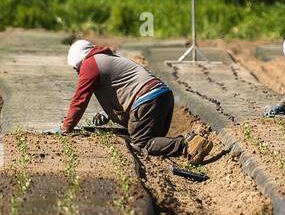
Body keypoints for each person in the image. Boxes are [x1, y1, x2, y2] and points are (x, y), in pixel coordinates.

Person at [58, 40, 212, 164]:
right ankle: (189, 142)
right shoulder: (105, 59)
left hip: (148, 100)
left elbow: (80, 99)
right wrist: (108, 114)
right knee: (149, 139)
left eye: (75, 68)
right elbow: (122, 90)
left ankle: (186, 144)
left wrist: (67, 127)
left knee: (142, 144)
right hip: (162, 96)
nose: (77, 72)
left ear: (78, 60)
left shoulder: (90, 64)